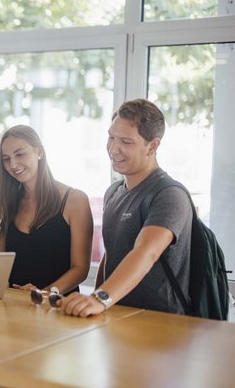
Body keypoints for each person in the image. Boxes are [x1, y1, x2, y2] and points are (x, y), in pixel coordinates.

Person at [59, 99, 192, 317]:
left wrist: (100, 299)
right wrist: (96, 299)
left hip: (161, 324)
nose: (113, 148)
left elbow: (146, 252)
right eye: (111, 137)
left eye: (126, 142)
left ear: (153, 146)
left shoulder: (169, 195)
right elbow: (111, 255)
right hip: (116, 317)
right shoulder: (114, 192)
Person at [0, 125, 93, 296]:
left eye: (20, 154)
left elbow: (80, 269)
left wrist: (44, 293)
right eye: (6, 159)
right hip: (14, 307)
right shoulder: (9, 202)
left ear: (39, 152)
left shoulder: (75, 200)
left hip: (57, 307)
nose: (13, 164)